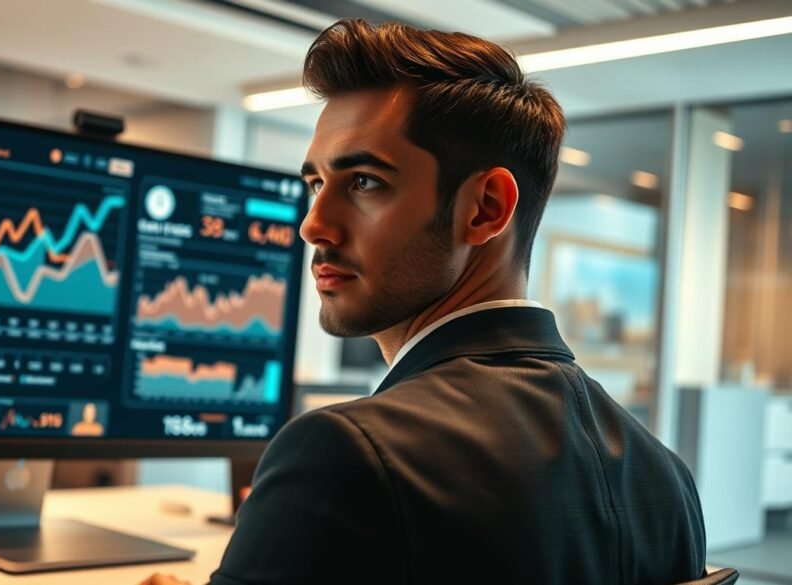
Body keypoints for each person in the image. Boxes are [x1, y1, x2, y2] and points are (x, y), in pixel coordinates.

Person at [144, 18, 705, 585]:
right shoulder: (666, 481)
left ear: (485, 209)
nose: (313, 225)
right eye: (316, 183)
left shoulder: (347, 455)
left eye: (364, 181)